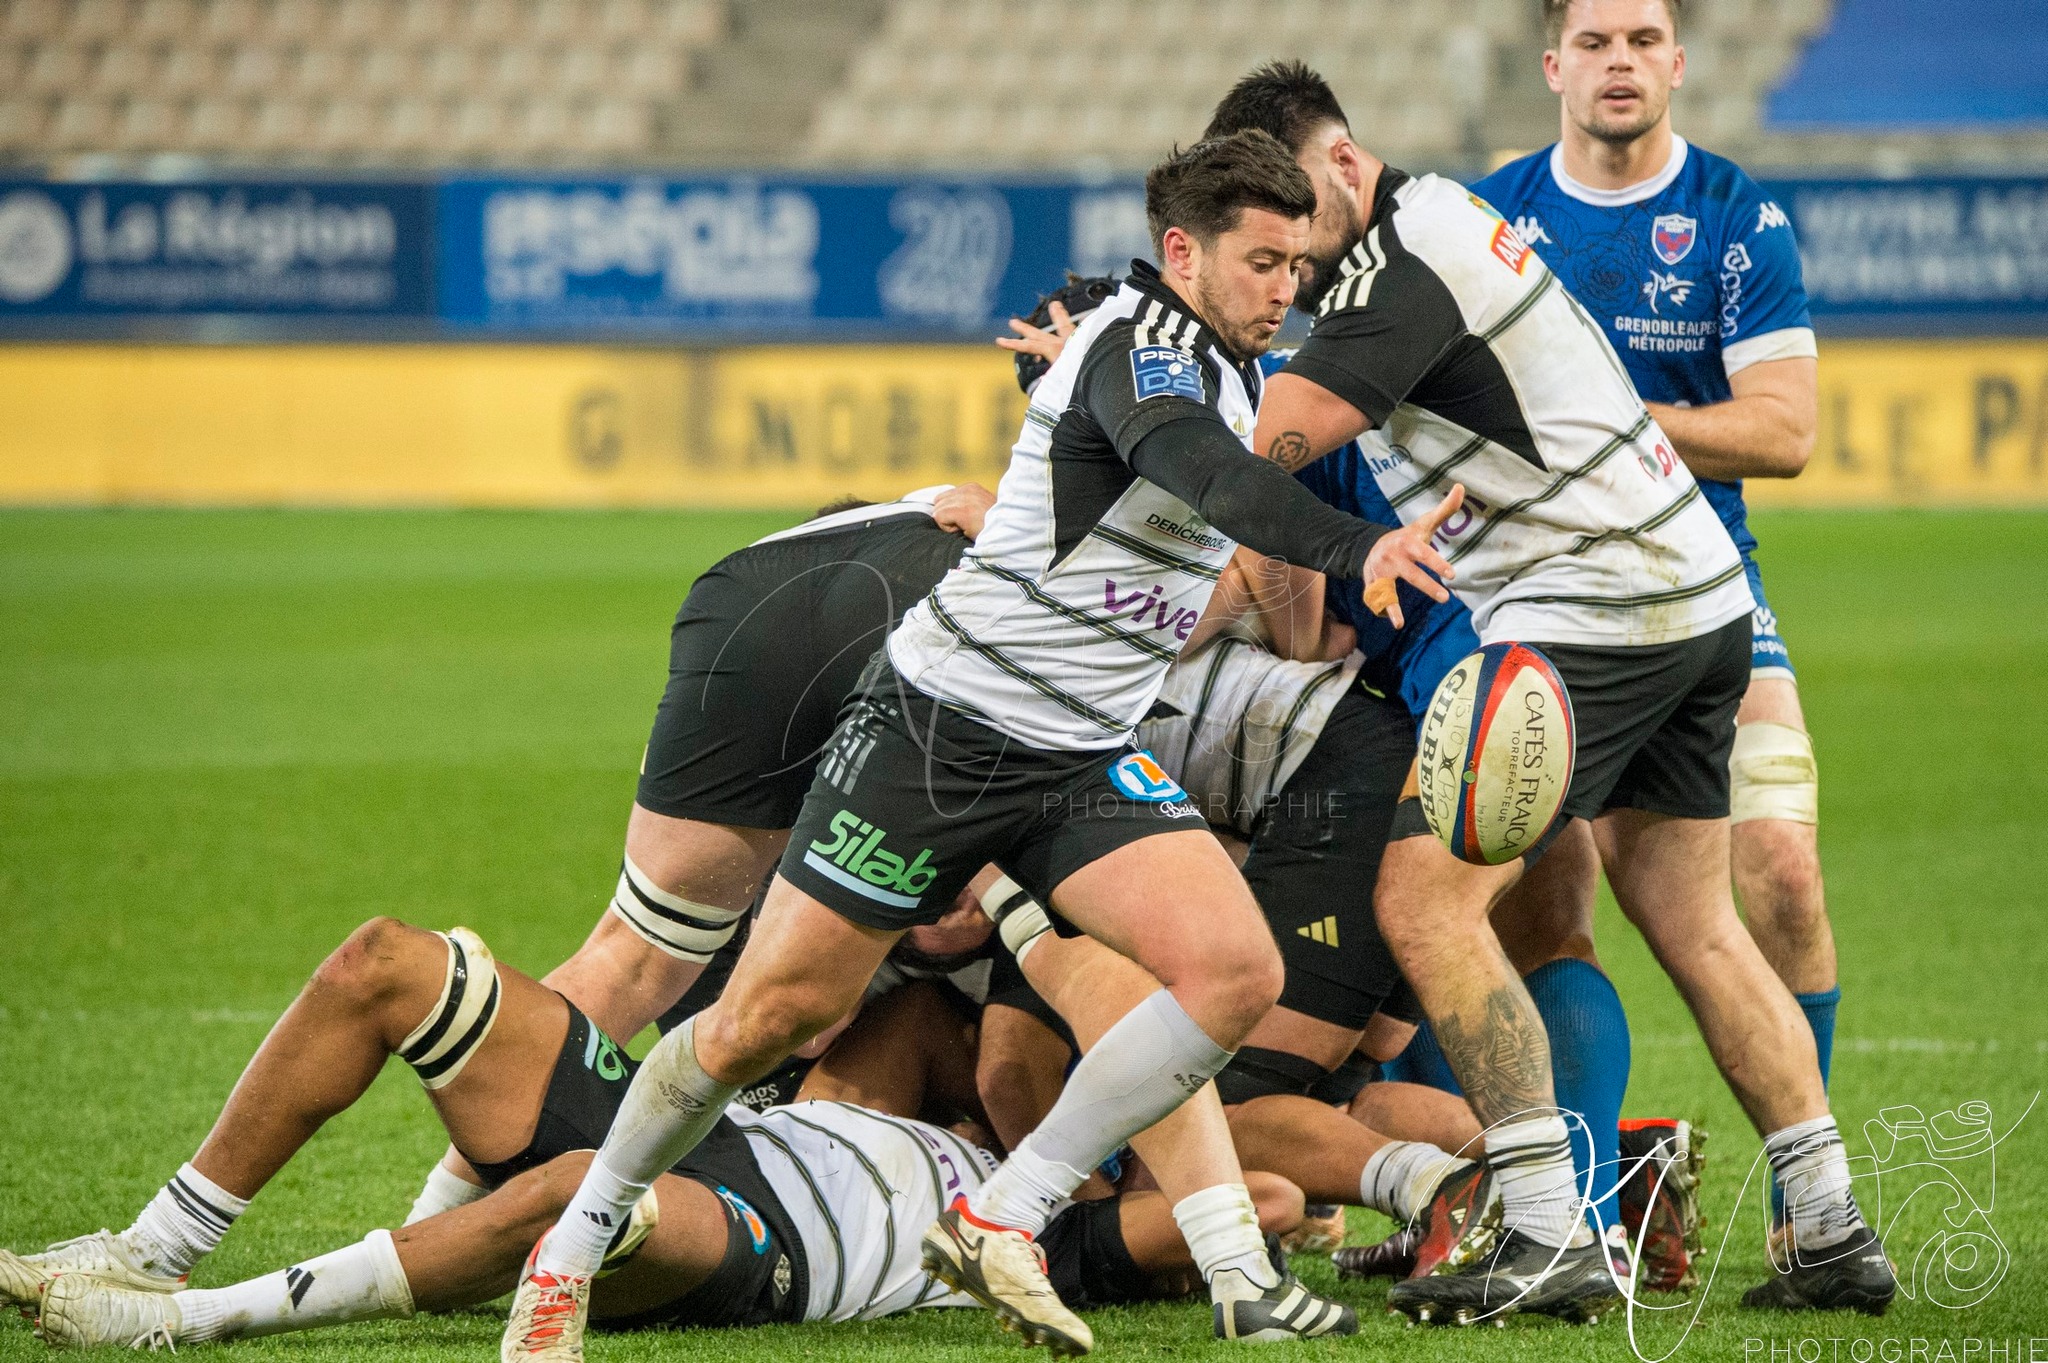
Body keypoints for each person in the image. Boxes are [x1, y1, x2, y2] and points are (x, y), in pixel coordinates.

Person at [504, 129, 1451, 1361]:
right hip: (939, 735)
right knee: (764, 1023)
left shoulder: (1220, 358)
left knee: (1231, 972)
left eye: (1296, 262)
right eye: (1263, 261)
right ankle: (570, 1249)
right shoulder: (1141, 349)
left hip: (1078, 758)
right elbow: (1207, 478)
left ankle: (1002, 1214)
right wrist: (1354, 545)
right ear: (1182, 251)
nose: (1287, 287)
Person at [1204, 62, 1895, 1321]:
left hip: (1597, 617)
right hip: (1693, 599)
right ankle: (1834, 1227)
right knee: (1692, 924)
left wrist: (1129, 393)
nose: (1289, 247)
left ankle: (1544, 1232)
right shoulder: (1436, 226)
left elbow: (1267, 444)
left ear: (1346, 165)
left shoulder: (1397, 270)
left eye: (1294, 209)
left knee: (1423, 904)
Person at [10, 917, 1306, 1349]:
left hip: (765, 1246)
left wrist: (1139, 1171)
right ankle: (153, 1246)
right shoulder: (908, 1066)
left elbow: (1274, 1201)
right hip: (705, 1132)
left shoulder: (1059, 1237)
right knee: (393, 963)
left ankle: (192, 1318)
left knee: (586, 1191)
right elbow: (922, 1009)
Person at [1466, 0, 1841, 1298]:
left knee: (1780, 868)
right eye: (1598, 41)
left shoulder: (1735, 215)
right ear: (1554, 61)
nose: (1620, 63)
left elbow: (1785, 429)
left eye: (1644, 39)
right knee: (1542, 901)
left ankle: (1809, 1206)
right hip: (1543, 596)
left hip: (1708, 586)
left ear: (1677, 62)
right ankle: (1566, 1208)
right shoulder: (1495, 216)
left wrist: (1601, 425)